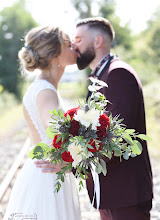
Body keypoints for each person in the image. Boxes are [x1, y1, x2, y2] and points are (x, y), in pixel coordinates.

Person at [73, 17, 153, 220]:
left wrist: (71, 162)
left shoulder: (117, 74)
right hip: (112, 193)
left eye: (79, 39)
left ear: (97, 41)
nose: (74, 46)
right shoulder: (102, 75)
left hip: (124, 194)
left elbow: (115, 140)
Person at [3, 26, 81, 220]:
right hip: (48, 176)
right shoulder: (46, 91)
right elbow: (55, 128)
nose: (75, 49)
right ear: (56, 55)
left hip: (46, 171)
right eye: (69, 45)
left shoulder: (42, 87)